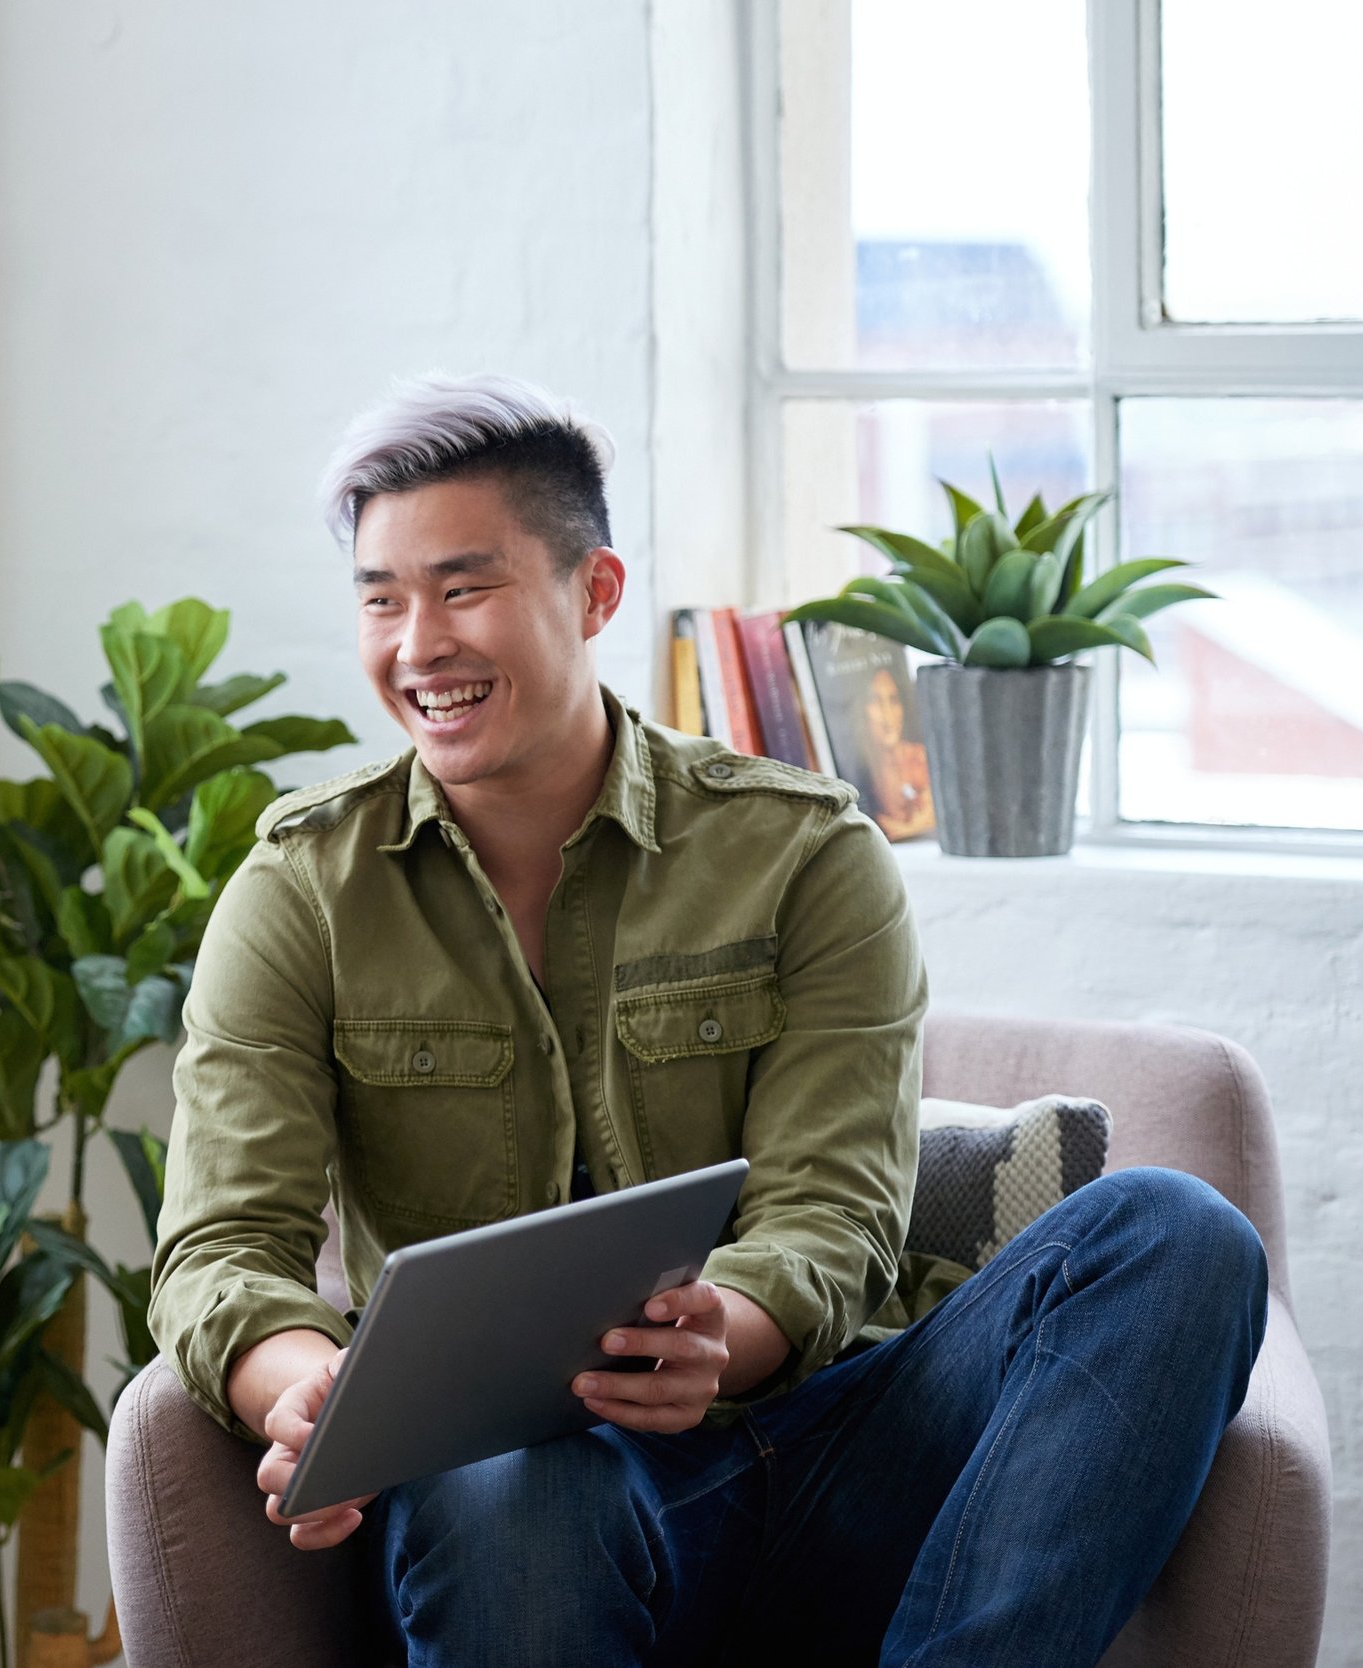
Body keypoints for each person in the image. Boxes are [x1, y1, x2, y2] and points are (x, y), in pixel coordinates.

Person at [146, 375, 1267, 1666]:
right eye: (381, 600)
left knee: (1176, 1233)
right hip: (527, 1499)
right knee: (517, 1483)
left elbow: (833, 1210)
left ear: (595, 593)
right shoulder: (300, 892)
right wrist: (305, 1388)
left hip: (835, 1450)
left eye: (463, 589)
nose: (418, 645)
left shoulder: (802, 852)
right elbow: (223, 1247)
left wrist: (721, 1338)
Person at [856, 663, 932, 839]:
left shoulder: (919, 758)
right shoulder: (862, 772)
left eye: (893, 700)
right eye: (876, 701)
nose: (887, 714)